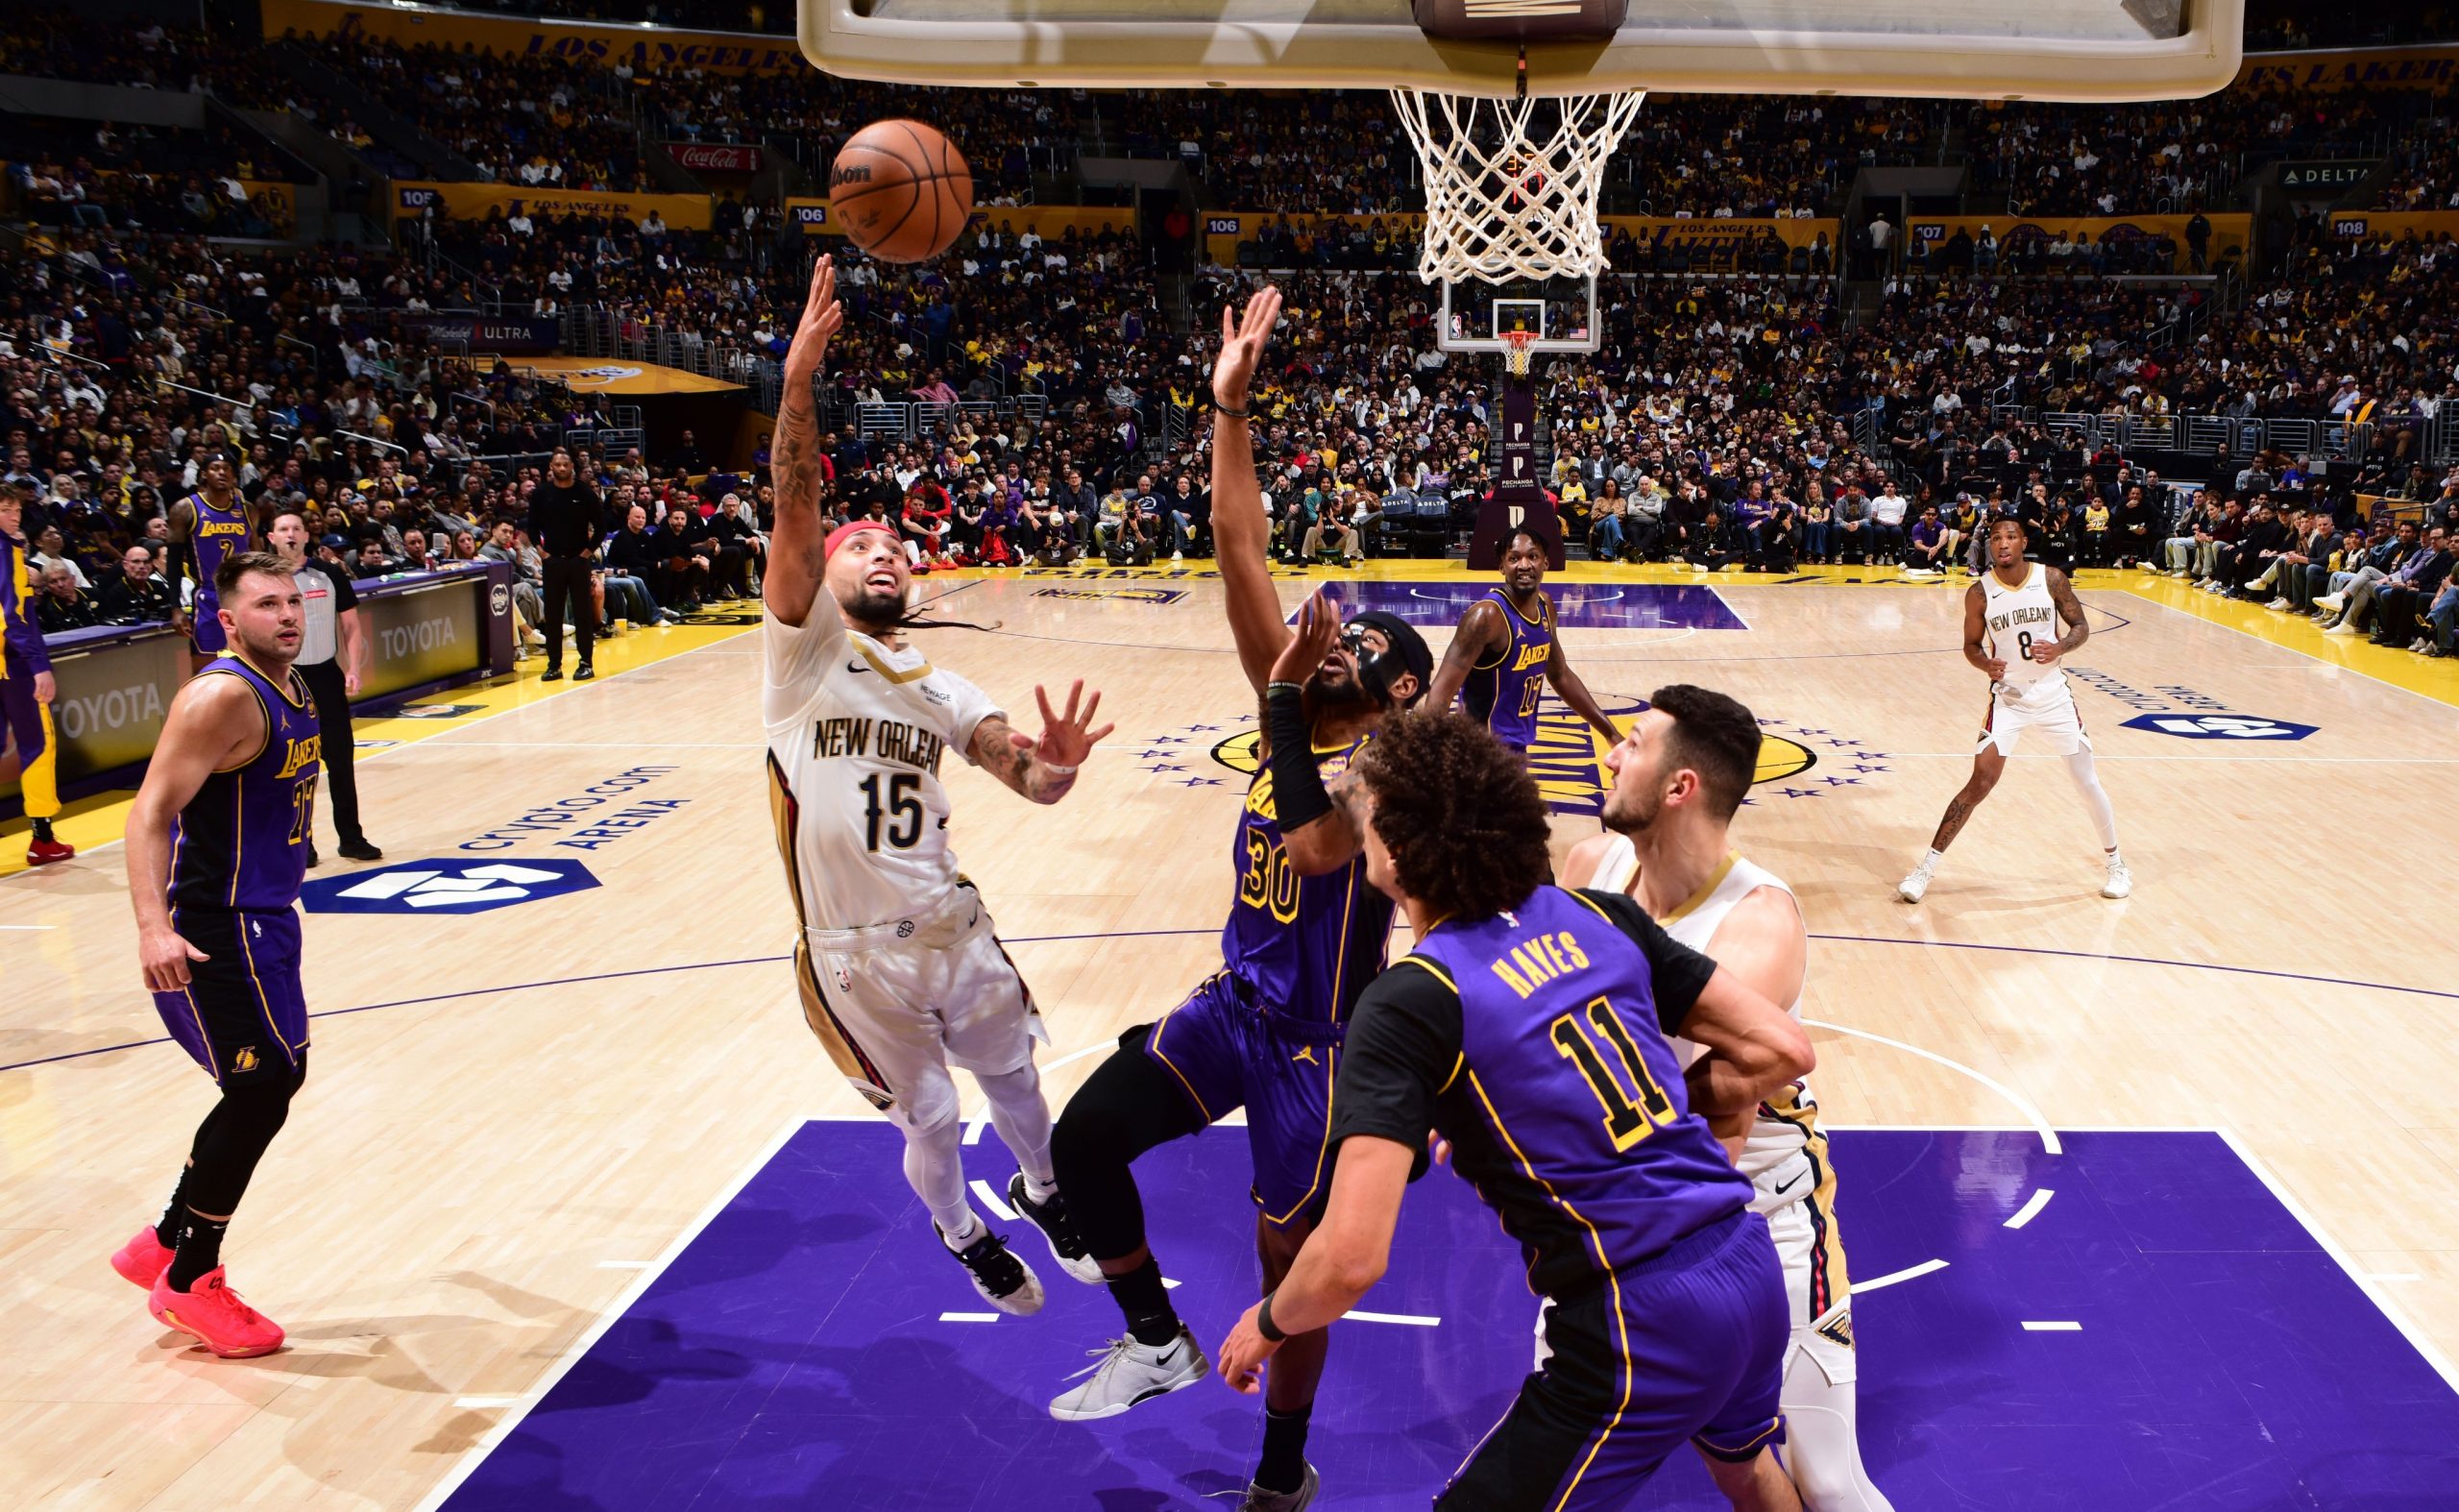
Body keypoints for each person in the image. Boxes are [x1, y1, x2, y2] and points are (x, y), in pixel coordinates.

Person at [1212, 709, 1814, 1511]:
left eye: (1365, 817)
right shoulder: (1597, 915)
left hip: (1639, 1315)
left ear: (1396, 849)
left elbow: (1349, 1259)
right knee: (1745, 1468)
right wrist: (1656, 1111)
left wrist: (1268, 1322)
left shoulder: (1409, 1000)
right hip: (1746, 1261)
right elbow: (1783, 1046)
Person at [1045, 287, 1436, 1512]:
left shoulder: (1387, 767)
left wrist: (1278, 697)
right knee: (1080, 1141)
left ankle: (1279, 1466)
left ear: (1396, 692)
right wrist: (1228, 409)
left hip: (1321, 1053)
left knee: (1289, 1266)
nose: (1336, 645)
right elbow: (1238, 549)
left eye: (1364, 649)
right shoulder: (1294, 705)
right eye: (1339, 638)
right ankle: (1154, 1336)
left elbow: (1317, 852)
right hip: (1236, 1007)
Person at [763, 256, 1112, 1319]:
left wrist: (1055, 765)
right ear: (821, 575)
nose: (883, 554)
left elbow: (1027, 778)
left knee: (1018, 1085)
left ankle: (1042, 1191)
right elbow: (795, 500)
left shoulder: (945, 686)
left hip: (954, 923)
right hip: (853, 951)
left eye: (894, 547)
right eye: (859, 545)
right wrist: (798, 382)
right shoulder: (802, 656)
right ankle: (962, 1233)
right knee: (928, 1120)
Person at [1565, 687, 1898, 1512]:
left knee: (1826, 1479)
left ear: (1680, 786)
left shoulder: (1758, 925)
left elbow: (1714, 1125)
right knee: (1573, 1456)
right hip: (1628, 1201)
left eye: (1632, 743)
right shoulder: (1586, 868)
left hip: (1760, 1211)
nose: (1609, 754)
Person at [113, 550, 322, 1358]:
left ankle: (165, 1240)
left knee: (277, 1080)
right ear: (229, 621)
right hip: (216, 925)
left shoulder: (294, 685)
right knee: (260, 1087)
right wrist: (152, 928)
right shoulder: (222, 696)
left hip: (269, 918)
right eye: (267, 605)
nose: (288, 615)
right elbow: (148, 813)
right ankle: (190, 1278)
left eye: (292, 600)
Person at [1899, 516, 2130, 903]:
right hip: (2009, 697)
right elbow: (1971, 646)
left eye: (2010, 537)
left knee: (2085, 781)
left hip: (2053, 695)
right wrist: (1984, 664)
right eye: (1995, 538)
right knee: (1980, 782)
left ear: (2023, 541)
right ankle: (1924, 870)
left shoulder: (2051, 578)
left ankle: (2117, 865)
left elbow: (2081, 626)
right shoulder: (1979, 593)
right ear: (1989, 545)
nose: (2002, 543)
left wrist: (2060, 647)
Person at [1425, 528, 1624, 760]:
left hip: (1515, 749)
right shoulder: (1486, 616)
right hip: (1480, 752)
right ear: (1501, 567)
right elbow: (1441, 693)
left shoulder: (1545, 606)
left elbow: (1560, 675)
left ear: (1545, 562)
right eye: (1514, 558)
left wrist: (1611, 734)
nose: (1524, 565)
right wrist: (1427, 758)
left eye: (1532, 556)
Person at [267, 508, 380, 864]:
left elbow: (351, 625)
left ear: (306, 536)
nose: (290, 534)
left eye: (296, 528)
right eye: (283, 529)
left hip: (326, 676)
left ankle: (352, 837)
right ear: (271, 538)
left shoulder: (328, 573)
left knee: (341, 760)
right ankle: (301, 843)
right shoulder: (262, 578)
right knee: (294, 766)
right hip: (285, 680)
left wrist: (353, 668)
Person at [1, 482, 73, 864]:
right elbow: (11, 618)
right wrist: (39, 666)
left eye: (16, 510)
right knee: (38, 745)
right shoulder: (5, 552)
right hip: (13, 665)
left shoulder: (14, 550)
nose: (14, 517)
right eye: (5, 510)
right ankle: (42, 838)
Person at [166, 453, 252, 668]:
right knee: (206, 668)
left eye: (227, 468)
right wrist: (175, 607)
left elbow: (257, 558)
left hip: (243, 596)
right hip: (208, 597)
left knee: (249, 664)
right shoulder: (185, 509)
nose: (222, 472)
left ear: (234, 476)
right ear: (204, 474)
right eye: (215, 468)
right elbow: (173, 562)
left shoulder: (248, 509)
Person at [529, 451, 601, 681]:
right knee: (553, 614)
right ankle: (554, 665)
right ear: (551, 466)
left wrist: (586, 554)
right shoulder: (542, 493)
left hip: (578, 561)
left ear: (572, 466)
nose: (561, 468)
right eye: (557, 464)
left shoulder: (584, 492)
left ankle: (586, 663)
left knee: (582, 613)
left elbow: (601, 527)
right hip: (553, 562)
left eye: (565, 464)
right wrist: (543, 554)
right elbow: (531, 527)